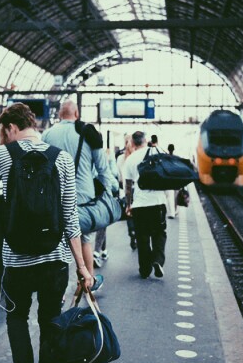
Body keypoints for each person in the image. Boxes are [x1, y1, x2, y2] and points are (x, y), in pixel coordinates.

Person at [0, 102, 93, 363]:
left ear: (10, 128)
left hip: (16, 261)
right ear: (34, 124)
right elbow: (70, 217)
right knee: (50, 322)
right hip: (54, 261)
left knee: (16, 318)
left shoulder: (3, 155)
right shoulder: (63, 160)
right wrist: (83, 268)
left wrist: (3, 151)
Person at [42, 99, 113, 291]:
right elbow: (102, 168)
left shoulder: (47, 134)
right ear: (77, 114)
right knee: (84, 240)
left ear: (59, 115)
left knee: (58, 244)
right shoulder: (88, 134)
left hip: (54, 198)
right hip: (82, 198)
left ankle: (58, 289)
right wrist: (111, 190)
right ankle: (87, 281)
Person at [124, 131, 167, 279]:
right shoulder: (158, 152)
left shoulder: (130, 160)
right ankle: (157, 260)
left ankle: (145, 269)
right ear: (145, 140)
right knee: (159, 233)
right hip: (158, 202)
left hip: (140, 204)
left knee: (142, 237)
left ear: (133, 143)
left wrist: (128, 205)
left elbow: (128, 186)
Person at [116, 134, 137, 250]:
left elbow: (119, 177)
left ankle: (132, 233)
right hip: (137, 190)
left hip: (125, 190)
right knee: (139, 215)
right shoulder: (137, 157)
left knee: (130, 214)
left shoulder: (120, 158)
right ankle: (138, 234)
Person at [165, 143, 178, 218]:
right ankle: (175, 210)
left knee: (169, 196)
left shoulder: (166, 158)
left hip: (169, 180)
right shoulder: (175, 158)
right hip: (175, 180)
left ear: (168, 149)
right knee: (175, 196)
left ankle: (171, 212)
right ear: (174, 149)